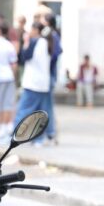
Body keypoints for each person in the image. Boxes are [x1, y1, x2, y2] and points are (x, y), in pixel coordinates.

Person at [13, 22, 52, 145]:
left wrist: (25, 42)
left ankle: (14, 137)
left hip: (33, 83)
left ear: (36, 30)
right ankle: (39, 139)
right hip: (43, 83)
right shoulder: (46, 42)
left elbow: (25, 57)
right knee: (39, 114)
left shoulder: (34, 42)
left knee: (23, 111)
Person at [40, 13, 62, 144]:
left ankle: (50, 132)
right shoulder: (53, 35)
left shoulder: (52, 36)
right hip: (48, 74)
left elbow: (54, 54)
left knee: (47, 104)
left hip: (48, 74)